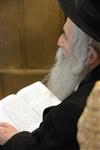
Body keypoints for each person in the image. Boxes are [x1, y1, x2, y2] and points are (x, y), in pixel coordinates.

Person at [0, 0, 100, 149]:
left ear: (90, 56)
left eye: (65, 36)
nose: (59, 41)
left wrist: (14, 139)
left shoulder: (76, 112)